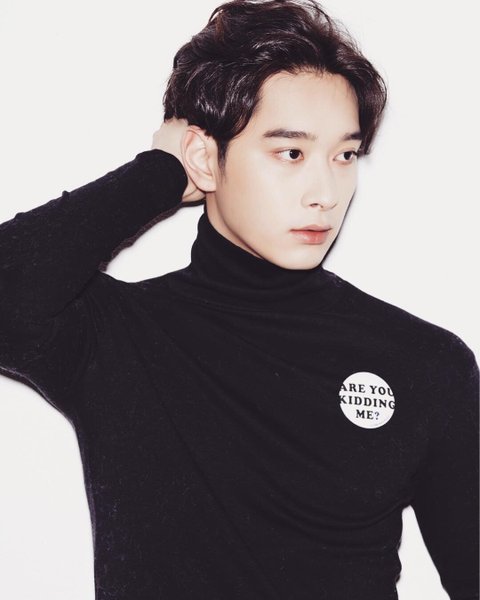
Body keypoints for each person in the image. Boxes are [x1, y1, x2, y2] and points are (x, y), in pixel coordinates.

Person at [0, 0, 478, 599]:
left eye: (344, 155)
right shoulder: (115, 338)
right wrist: (158, 173)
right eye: (291, 153)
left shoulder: (423, 362)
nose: (326, 192)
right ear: (205, 158)